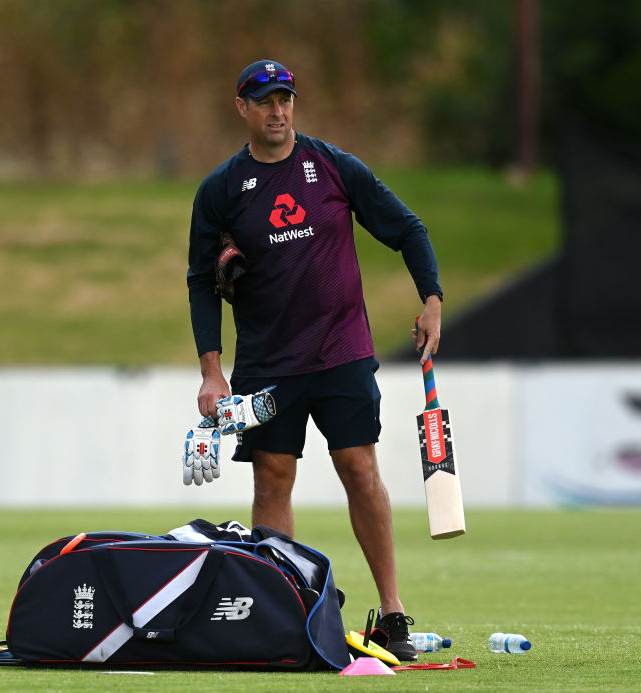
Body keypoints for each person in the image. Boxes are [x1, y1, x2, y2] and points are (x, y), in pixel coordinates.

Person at [186, 59, 443, 662]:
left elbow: (408, 228)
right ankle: (282, 611)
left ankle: (395, 614)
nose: (278, 110)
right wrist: (210, 370)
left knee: (359, 468)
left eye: (286, 99)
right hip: (268, 363)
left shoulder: (332, 166)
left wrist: (431, 299)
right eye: (265, 100)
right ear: (242, 108)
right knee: (272, 478)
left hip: (341, 352)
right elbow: (201, 280)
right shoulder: (221, 189)